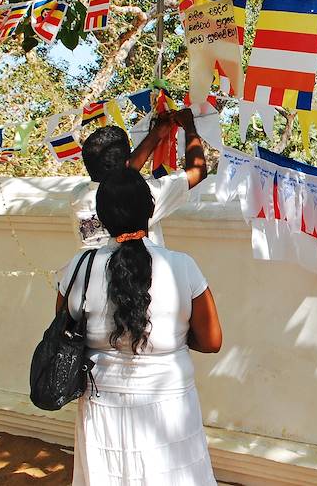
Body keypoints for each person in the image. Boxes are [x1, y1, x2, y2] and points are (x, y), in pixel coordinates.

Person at [57, 168, 222, 485]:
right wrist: (169, 337)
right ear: (150, 209)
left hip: (101, 399)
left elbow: (65, 329)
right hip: (169, 399)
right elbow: (211, 340)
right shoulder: (182, 265)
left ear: (101, 216)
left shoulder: (79, 267)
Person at [72, 108, 207, 249]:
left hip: (92, 268)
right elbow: (198, 171)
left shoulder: (77, 196)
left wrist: (157, 132)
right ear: (127, 163)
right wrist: (189, 126)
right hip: (142, 269)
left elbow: (122, 174)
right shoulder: (141, 195)